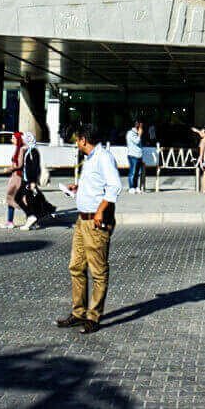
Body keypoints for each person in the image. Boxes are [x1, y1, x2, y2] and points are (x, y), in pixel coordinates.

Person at [57, 123, 121, 334]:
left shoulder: (103, 157)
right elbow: (97, 184)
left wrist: (101, 210)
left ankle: (93, 317)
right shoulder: (91, 158)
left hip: (95, 222)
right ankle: (78, 313)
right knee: (76, 266)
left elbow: (114, 186)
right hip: (81, 221)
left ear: (84, 140)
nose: (76, 143)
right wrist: (78, 188)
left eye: (77, 140)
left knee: (98, 271)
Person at [2, 131, 29, 228]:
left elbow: (19, 164)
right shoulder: (19, 149)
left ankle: (11, 222)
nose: (11, 140)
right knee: (12, 198)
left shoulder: (21, 149)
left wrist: (9, 169)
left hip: (17, 177)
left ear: (18, 139)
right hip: (16, 176)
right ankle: (11, 221)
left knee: (12, 198)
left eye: (13, 138)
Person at [125, 120, 145, 193]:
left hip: (139, 155)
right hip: (133, 155)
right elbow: (137, 141)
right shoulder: (130, 133)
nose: (141, 126)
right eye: (140, 125)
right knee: (132, 172)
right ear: (136, 125)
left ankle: (136, 187)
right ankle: (131, 187)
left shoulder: (137, 133)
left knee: (137, 173)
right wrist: (139, 134)